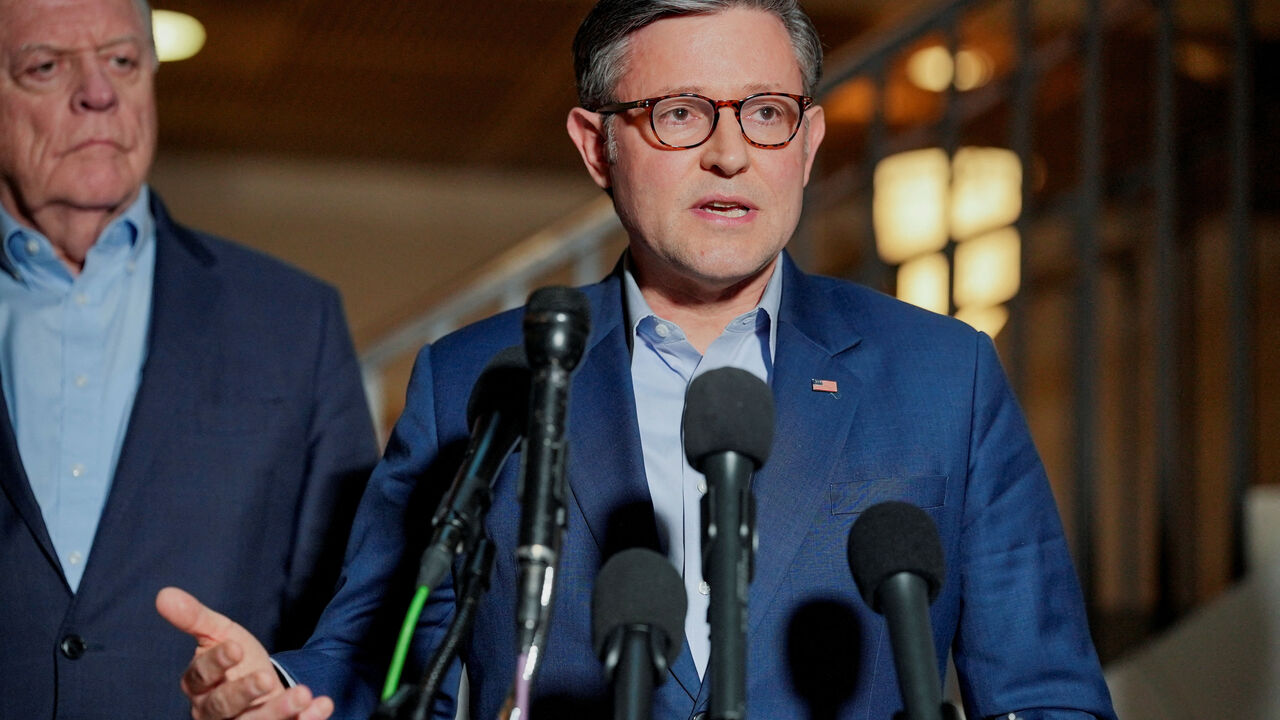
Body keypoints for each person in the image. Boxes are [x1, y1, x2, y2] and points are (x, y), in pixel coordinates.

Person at [158, 1, 1118, 719]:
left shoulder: (941, 375)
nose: (731, 154)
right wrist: (279, 692)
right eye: (680, 113)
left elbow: (1045, 692)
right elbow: (383, 653)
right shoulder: (477, 382)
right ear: (596, 145)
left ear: (810, 140)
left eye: (767, 113)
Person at [0, 0, 379, 717]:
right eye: (47, 66)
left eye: (122, 61)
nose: (99, 92)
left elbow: (358, 617)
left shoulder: (295, 321)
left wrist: (279, 689)